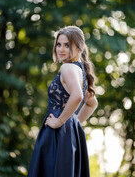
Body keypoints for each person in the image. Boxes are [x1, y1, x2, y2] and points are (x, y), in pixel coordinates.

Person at [27, 26, 98, 177]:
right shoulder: (80, 71)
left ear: (79, 48)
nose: (61, 49)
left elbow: (78, 96)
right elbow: (92, 103)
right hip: (68, 133)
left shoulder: (67, 68)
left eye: (67, 45)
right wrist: (73, 122)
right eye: (59, 44)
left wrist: (60, 122)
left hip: (57, 132)